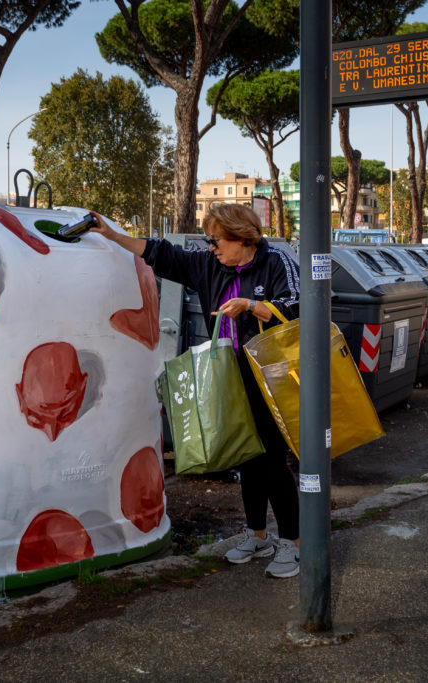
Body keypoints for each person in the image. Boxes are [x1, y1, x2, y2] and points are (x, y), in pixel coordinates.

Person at [89, 205, 302, 578]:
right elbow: (161, 254)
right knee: (245, 455)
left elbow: (296, 305)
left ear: (242, 238)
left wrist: (252, 306)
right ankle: (257, 535)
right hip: (229, 376)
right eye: (209, 240)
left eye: (216, 240)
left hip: (269, 375)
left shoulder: (276, 262)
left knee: (271, 459)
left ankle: (293, 542)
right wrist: (112, 236)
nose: (211, 246)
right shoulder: (208, 265)